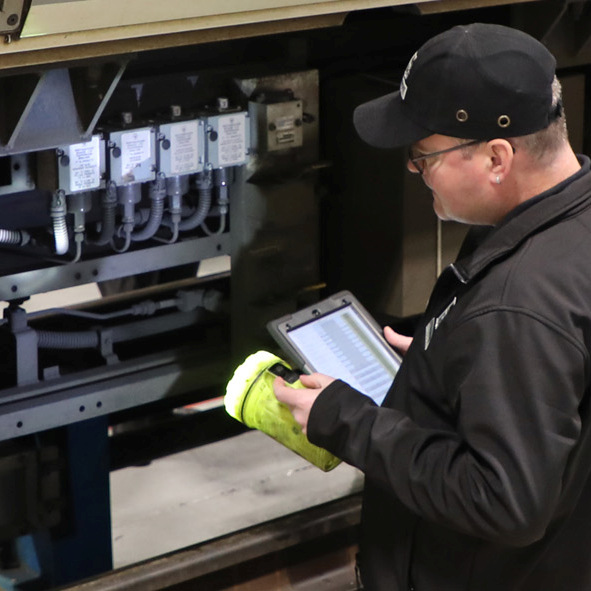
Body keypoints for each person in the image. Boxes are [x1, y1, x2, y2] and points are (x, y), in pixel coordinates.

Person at [273, 22, 591, 590]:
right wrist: (447, 343)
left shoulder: (515, 310)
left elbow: (504, 502)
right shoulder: (570, 223)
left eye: (423, 156)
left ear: (497, 157)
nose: (414, 172)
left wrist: (348, 423)